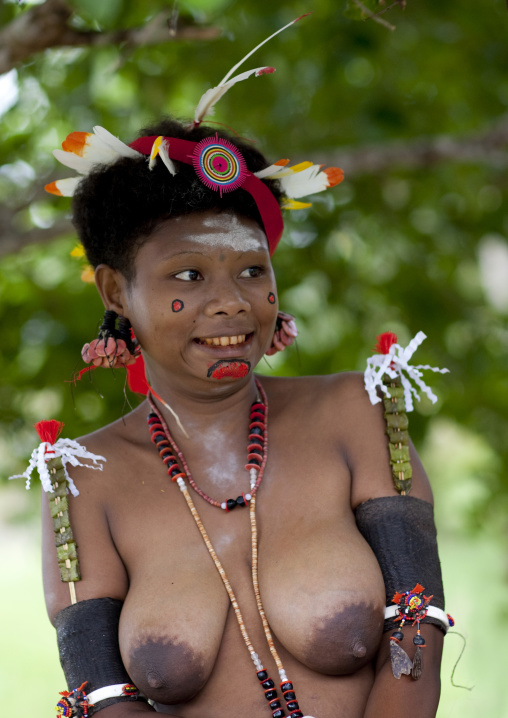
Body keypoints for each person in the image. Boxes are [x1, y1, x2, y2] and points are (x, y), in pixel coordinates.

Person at [33, 19, 450, 718]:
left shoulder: (358, 413)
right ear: (114, 293)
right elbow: (101, 699)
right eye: (188, 275)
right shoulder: (82, 480)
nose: (229, 303)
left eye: (252, 270)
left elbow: (419, 627)